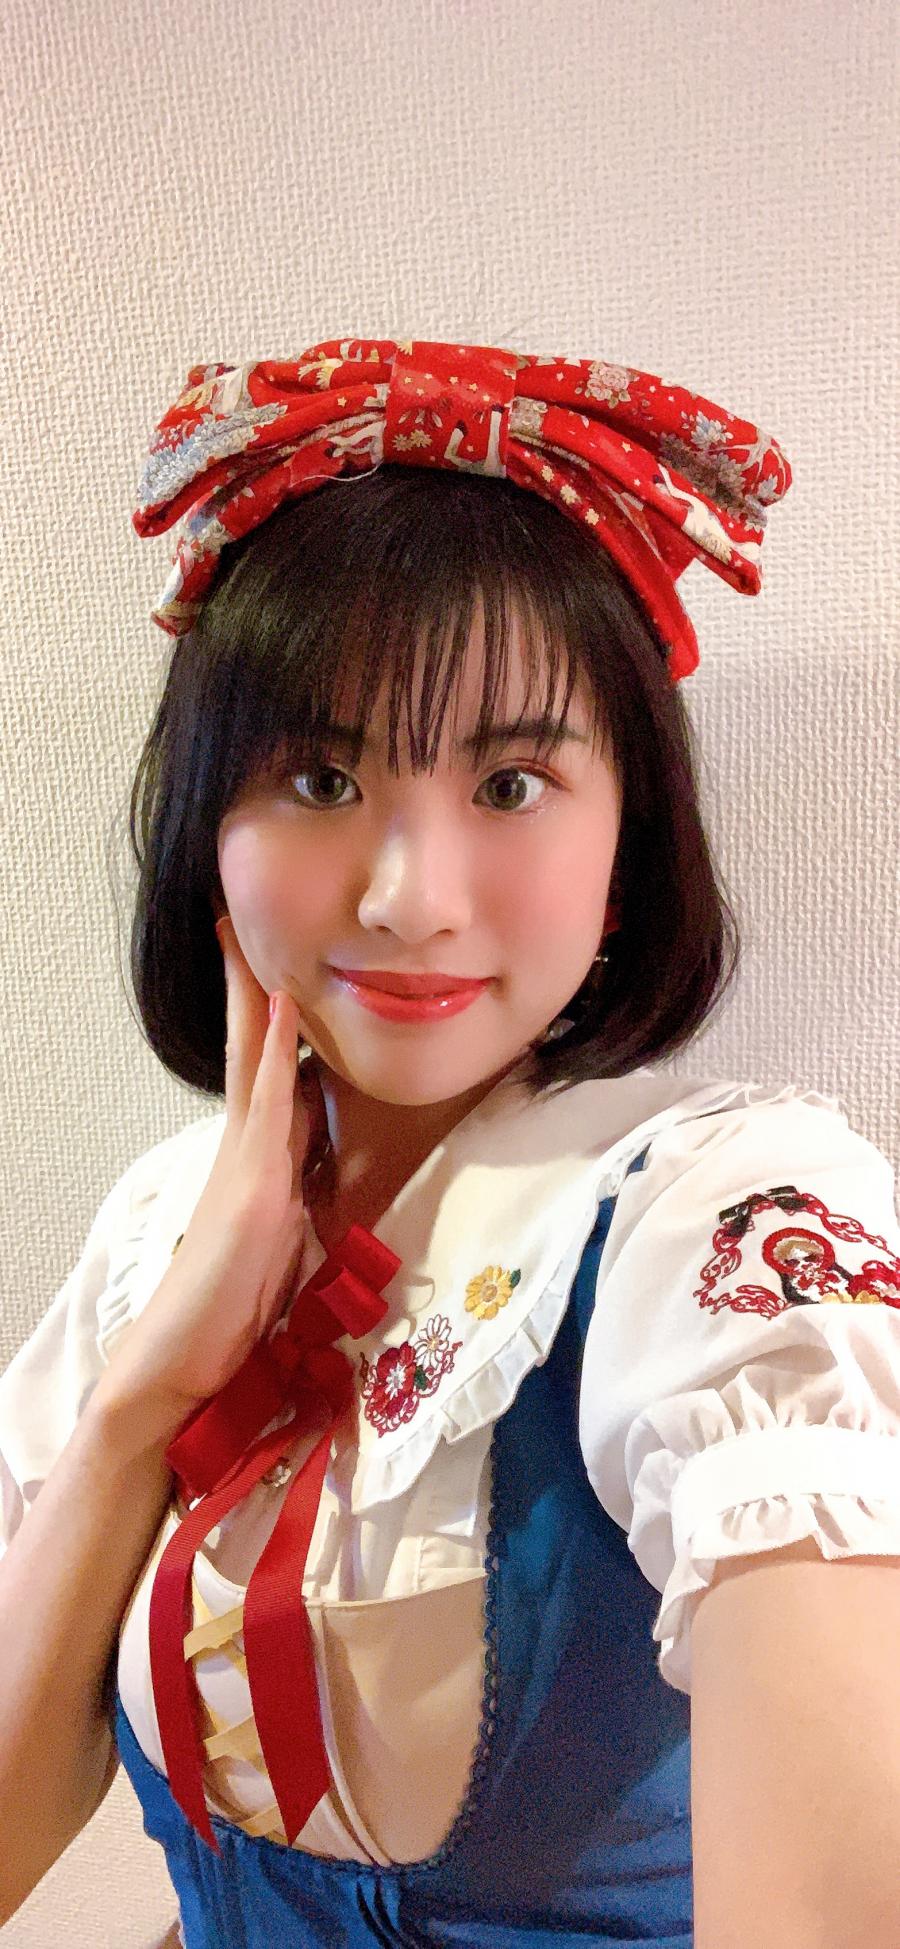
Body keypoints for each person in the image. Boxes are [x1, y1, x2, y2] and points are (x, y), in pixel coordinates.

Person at [1, 337, 899, 1948]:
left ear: (629, 838)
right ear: (209, 823)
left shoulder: (729, 1224)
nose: (411, 896)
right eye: (320, 773)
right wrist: (142, 1401)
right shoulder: (158, 1225)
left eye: (511, 780)